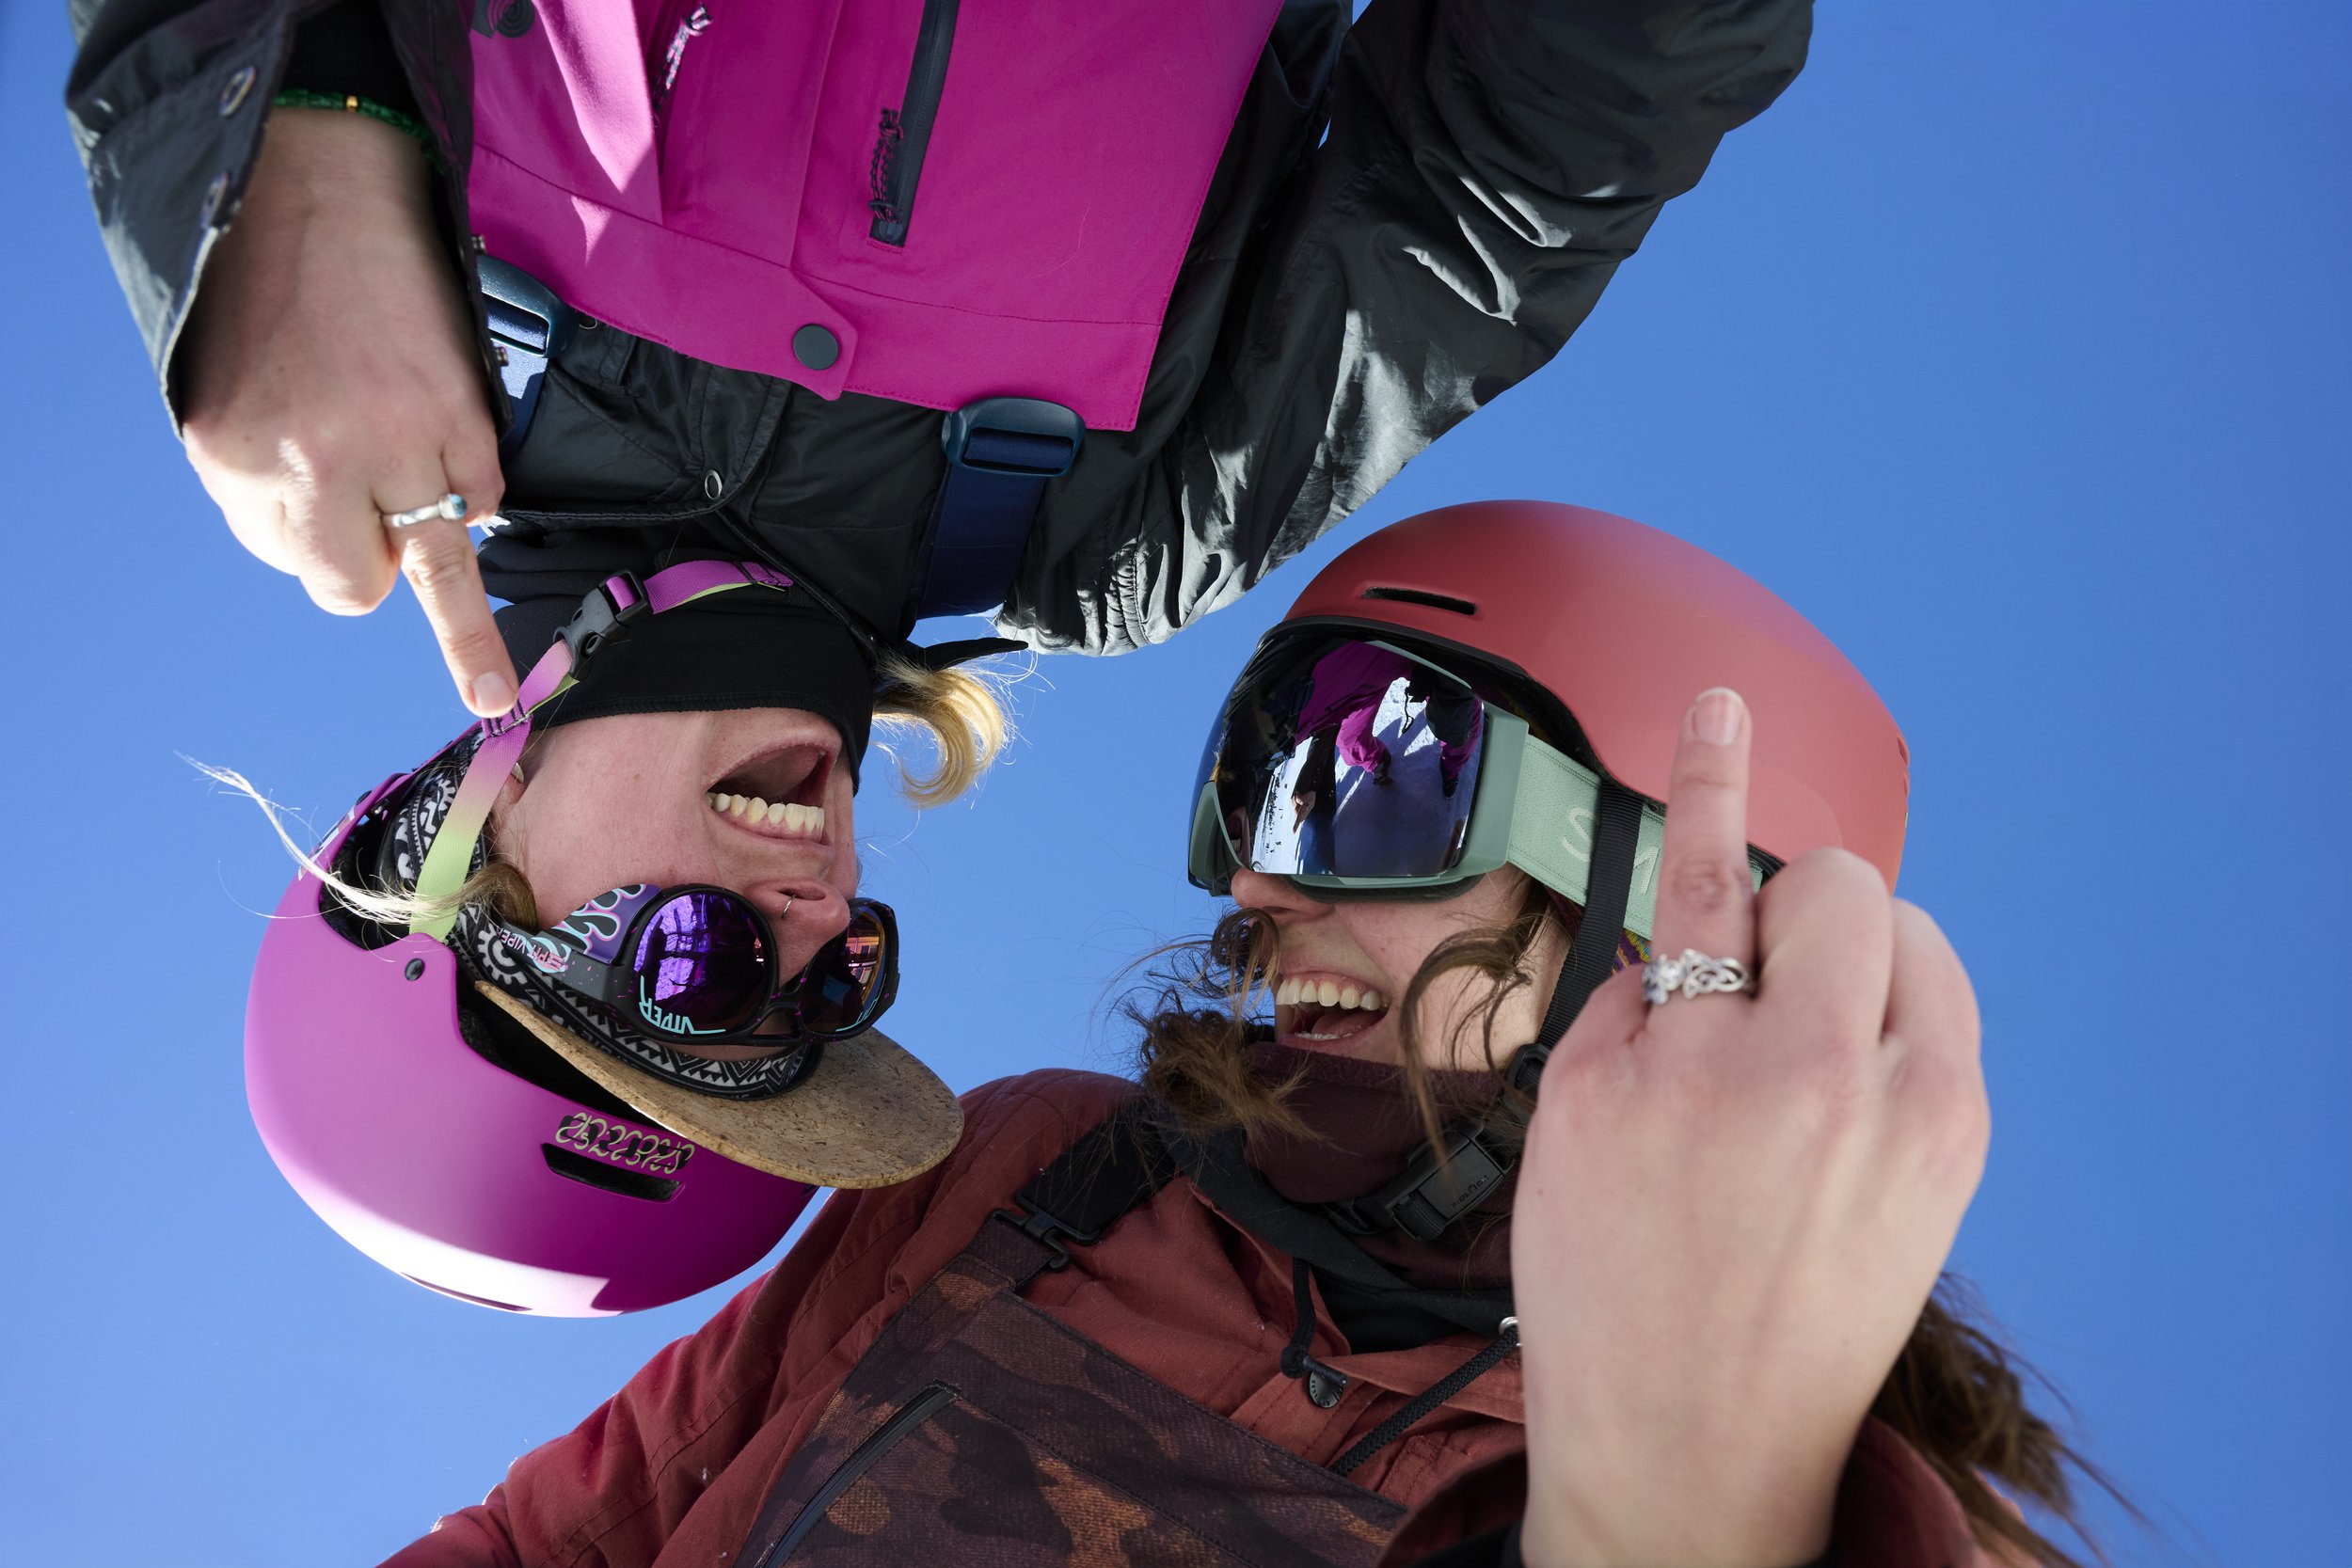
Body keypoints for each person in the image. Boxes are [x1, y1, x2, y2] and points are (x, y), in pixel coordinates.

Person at [358, 501, 2111, 1567]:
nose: (1261, 892)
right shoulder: (1051, 1164)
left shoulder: (1802, 1500)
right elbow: (561, 1542)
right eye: (1258, 790)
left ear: (1656, 905)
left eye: (1372, 779)